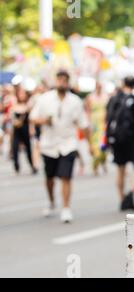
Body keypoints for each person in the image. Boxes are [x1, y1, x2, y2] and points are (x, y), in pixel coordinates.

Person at [30, 70, 92, 223]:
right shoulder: (45, 99)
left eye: (65, 80)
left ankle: (66, 207)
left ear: (68, 82)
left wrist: (90, 145)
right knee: (49, 178)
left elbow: (83, 124)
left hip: (68, 144)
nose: (62, 83)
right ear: (55, 81)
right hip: (49, 145)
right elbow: (33, 118)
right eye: (59, 80)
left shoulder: (75, 101)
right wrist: (44, 121)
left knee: (66, 176)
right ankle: (51, 201)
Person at [106, 76, 134, 211]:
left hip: (117, 138)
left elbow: (107, 118)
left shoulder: (113, 99)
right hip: (132, 137)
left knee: (120, 169)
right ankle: (131, 192)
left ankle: (122, 198)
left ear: (123, 84)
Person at [10, 85, 37, 174]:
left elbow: (30, 120)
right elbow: (12, 117)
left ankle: (32, 165)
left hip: (25, 128)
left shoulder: (28, 106)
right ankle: (16, 165)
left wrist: (31, 129)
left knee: (28, 148)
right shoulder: (15, 105)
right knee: (15, 147)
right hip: (16, 129)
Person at [85, 81, 109, 176]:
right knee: (95, 147)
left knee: (103, 146)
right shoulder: (90, 97)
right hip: (94, 124)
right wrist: (88, 124)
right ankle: (95, 166)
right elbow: (88, 111)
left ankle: (103, 161)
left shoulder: (106, 97)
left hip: (104, 124)